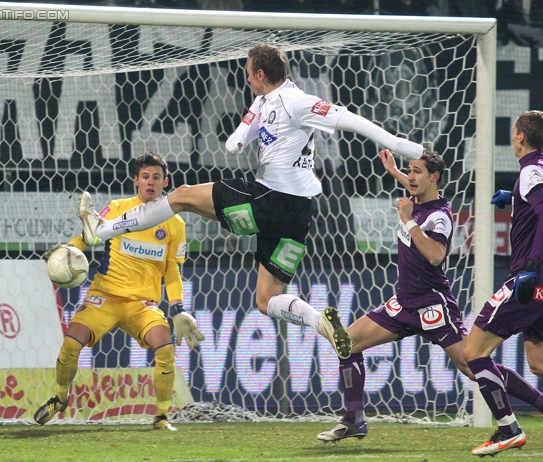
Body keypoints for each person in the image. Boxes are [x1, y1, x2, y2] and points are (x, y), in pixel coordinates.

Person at [76, 43, 424, 360]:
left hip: (270, 199)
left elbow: (356, 123)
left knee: (180, 196)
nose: (245, 78)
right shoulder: (262, 102)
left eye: (247, 73)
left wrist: (410, 149)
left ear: (259, 74)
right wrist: (237, 142)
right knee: (266, 299)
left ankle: (102, 230)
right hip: (298, 215)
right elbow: (242, 133)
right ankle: (323, 324)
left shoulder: (299, 102)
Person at [317, 148, 543, 448]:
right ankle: (353, 418)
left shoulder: (439, 216)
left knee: (472, 363)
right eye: (408, 171)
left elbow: (436, 256)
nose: (410, 177)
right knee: (347, 341)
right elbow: (413, 187)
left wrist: (408, 222)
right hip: (404, 303)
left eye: (416, 172)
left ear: (434, 178)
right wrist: (393, 171)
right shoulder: (415, 201)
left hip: (433, 305)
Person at [34, 152, 204, 430]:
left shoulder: (175, 224)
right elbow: (89, 237)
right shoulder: (116, 209)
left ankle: (161, 417)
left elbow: (172, 271)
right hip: (105, 296)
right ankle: (60, 399)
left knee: (164, 343)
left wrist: (177, 308)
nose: (151, 182)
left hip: (142, 304)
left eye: (157, 177)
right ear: (136, 180)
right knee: (72, 341)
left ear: (166, 182)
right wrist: (68, 248)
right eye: (146, 176)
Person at [462, 110, 543, 456]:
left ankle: (508, 428)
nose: (511, 135)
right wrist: (516, 200)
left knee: (473, 352)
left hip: (531, 276)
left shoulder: (531, 171)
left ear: (521, 136)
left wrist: (531, 265)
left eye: (513, 131)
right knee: (540, 363)